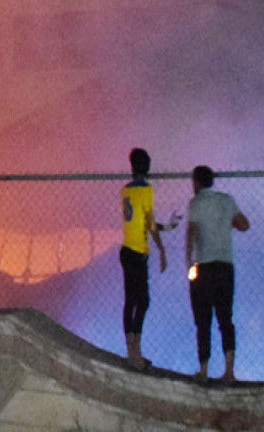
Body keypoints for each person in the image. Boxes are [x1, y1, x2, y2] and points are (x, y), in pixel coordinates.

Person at [185, 164, 250, 384]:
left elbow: (192, 232)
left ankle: (204, 370)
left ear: (196, 182)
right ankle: (229, 372)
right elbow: (244, 225)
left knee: (203, 321)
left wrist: (188, 262)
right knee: (226, 319)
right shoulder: (226, 200)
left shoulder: (196, 203)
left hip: (204, 265)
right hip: (225, 265)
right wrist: (225, 223)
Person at [120, 147, 168, 370]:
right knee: (142, 301)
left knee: (132, 300)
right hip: (138, 251)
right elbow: (149, 223)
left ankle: (133, 351)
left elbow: (140, 220)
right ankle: (134, 352)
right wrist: (162, 249)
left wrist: (166, 226)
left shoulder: (126, 191)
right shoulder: (146, 191)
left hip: (128, 250)